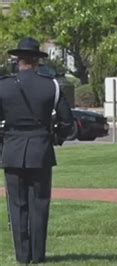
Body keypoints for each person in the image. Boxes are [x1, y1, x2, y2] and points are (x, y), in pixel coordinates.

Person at [0, 37, 74, 264]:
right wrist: (56, 138)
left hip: (12, 149)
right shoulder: (51, 85)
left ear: (18, 60)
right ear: (37, 61)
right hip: (40, 148)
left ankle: (23, 256)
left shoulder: (3, 85)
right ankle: (38, 254)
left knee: (17, 205)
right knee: (39, 204)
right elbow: (67, 122)